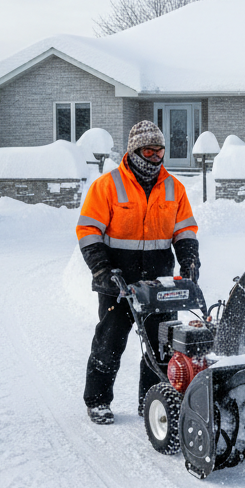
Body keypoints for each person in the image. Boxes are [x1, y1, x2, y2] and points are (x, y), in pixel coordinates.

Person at [76, 121, 201, 424]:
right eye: (149, 151)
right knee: (109, 343)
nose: (156, 158)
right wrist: (102, 269)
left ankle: (152, 402)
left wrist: (189, 262)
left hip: (159, 284)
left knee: (159, 349)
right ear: (134, 152)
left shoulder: (174, 187)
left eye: (160, 152)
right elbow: (88, 230)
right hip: (117, 283)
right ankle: (98, 401)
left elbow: (185, 230)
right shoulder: (107, 186)